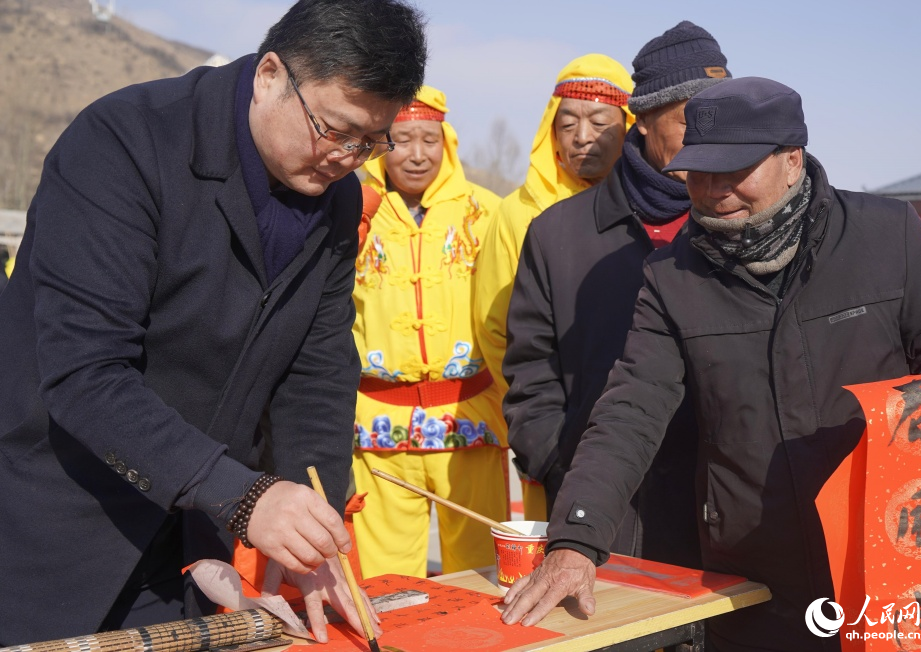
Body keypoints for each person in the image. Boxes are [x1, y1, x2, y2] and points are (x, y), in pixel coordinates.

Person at [499, 77, 921, 652]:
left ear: (792, 159)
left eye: (735, 171)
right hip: (754, 574)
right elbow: (630, 409)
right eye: (700, 172)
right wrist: (576, 541)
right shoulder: (671, 278)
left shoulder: (888, 236)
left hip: (883, 552)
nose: (713, 190)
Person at [0, 0, 426, 644]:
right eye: (334, 130)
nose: (346, 158)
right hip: (55, 526)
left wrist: (314, 532)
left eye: (370, 142)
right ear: (270, 75)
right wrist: (248, 497)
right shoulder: (124, 144)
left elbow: (316, 371)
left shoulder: (336, 198)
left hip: (190, 541)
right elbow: (86, 374)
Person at [502, 22, 730, 567]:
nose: (710, 134)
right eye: (690, 117)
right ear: (644, 119)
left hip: (725, 504)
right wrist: (561, 463)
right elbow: (529, 366)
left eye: (720, 117)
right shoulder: (557, 233)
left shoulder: (738, 225)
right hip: (602, 507)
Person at [350, 86, 507, 578]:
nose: (417, 155)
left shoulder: (487, 213)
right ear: (379, 142)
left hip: (470, 421)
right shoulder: (349, 210)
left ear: (448, 143)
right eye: (401, 139)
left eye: (429, 139)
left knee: (482, 574)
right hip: (377, 426)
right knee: (383, 582)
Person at [474, 53, 633, 520]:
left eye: (601, 122)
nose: (583, 136)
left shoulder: (656, 208)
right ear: (550, 130)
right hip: (556, 430)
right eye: (568, 123)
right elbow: (497, 331)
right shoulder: (517, 215)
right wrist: (540, 430)